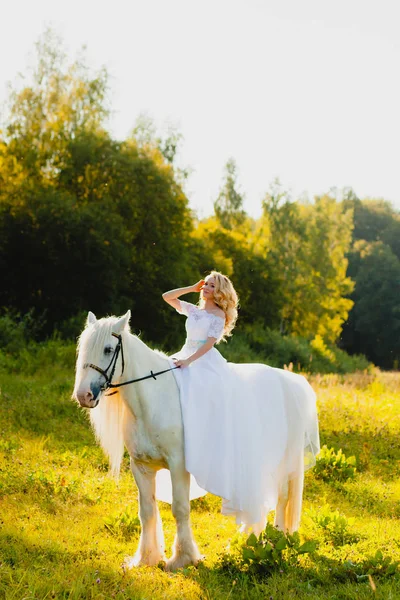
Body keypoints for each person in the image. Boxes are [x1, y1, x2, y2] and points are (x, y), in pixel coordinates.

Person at [160, 271, 320, 528]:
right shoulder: (194, 310)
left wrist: (189, 362)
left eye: (212, 286)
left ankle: (204, 433)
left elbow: (208, 345)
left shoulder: (217, 315)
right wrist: (191, 287)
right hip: (183, 355)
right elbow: (167, 297)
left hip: (202, 361)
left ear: (220, 292)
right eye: (206, 284)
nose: (207, 288)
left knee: (201, 389)